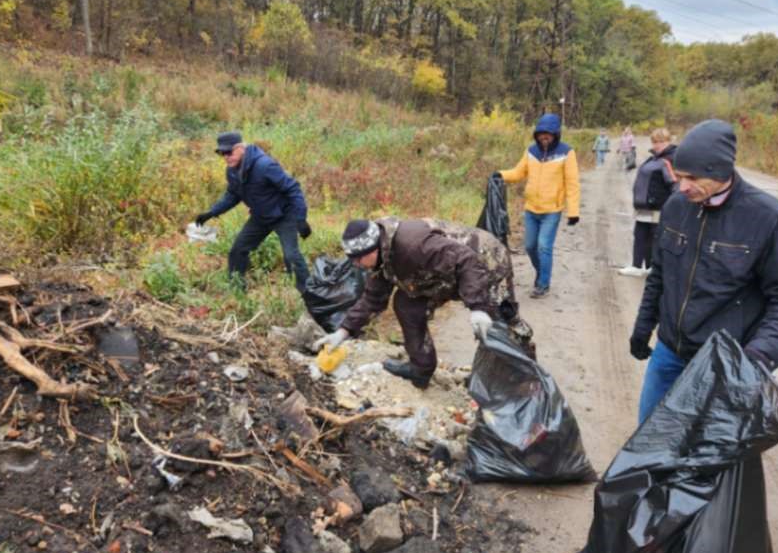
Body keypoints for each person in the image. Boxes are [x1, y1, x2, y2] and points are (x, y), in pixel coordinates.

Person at [629, 119, 778, 424]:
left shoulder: (768, 218)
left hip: (722, 367)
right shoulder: (676, 206)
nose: (682, 186)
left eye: (692, 178)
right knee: (648, 442)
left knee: (705, 461)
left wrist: (758, 357)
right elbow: (660, 274)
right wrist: (643, 326)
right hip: (668, 354)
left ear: (721, 170)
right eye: (679, 174)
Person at [313, 217, 533, 389]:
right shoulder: (381, 259)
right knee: (407, 304)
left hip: (484, 261)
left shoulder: (413, 245)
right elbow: (372, 299)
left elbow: (466, 260)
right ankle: (421, 368)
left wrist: (477, 307)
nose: (356, 264)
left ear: (373, 248)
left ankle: (520, 379)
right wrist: (342, 332)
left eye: (358, 258)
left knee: (499, 321)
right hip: (441, 274)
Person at [195, 132, 311, 291]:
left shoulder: (265, 166)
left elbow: (293, 189)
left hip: (284, 215)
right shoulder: (232, 171)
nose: (226, 157)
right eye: (222, 153)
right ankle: (237, 290)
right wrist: (211, 212)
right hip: (261, 217)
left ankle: (309, 293)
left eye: (229, 152)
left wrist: (300, 219)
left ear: (241, 148)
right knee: (237, 251)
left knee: (291, 256)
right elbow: (232, 195)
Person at [497, 113, 580, 298]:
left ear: (556, 134)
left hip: (552, 210)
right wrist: (499, 174)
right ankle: (541, 272)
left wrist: (573, 211)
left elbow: (572, 183)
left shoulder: (566, 152)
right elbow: (518, 173)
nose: (544, 137)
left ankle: (543, 284)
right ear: (537, 134)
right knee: (529, 246)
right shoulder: (531, 152)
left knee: (544, 246)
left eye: (548, 134)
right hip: (531, 209)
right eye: (541, 133)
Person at [618, 128, 678, 277]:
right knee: (640, 235)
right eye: (655, 142)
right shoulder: (653, 159)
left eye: (661, 142)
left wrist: (672, 207)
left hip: (658, 207)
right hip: (643, 207)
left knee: (655, 238)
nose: (657, 145)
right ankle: (637, 266)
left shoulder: (669, 159)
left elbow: (675, 185)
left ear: (669, 142)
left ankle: (654, 268)